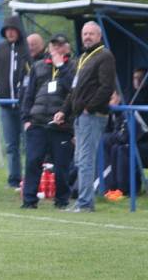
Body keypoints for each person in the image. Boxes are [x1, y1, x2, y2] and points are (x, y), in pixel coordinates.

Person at [53, 21, 116, 212]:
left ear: (99, 36)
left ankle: (85, 203)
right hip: (80, 116)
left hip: (92, 115)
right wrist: (64, 110)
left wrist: (89, 107)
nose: (87, 37)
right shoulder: (83, 57)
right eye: (84, 33)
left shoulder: (105, 56)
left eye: (91, 34)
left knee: (86, 160)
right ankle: (83, 200)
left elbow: (106, 87)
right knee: (81, 160)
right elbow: (74, 90)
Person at [20, 34, 75, 209]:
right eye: (54, 46)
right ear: (49, 48)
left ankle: (62, 200)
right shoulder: (38, 67)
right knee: (33, 161)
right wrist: (26, 119)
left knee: (61, 166)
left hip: (61, 125)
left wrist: (62, 67)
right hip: (37, 123)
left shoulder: (73, 67)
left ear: (67, 48)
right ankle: (29, 200)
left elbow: (73, 90)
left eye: (60, 46)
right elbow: (28, 94)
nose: (56, 49)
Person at [0, 15, 30, 188]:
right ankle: (13, 180)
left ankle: (30, 180)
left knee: (28, 145)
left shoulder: (26, 50)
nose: (11, 33)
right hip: (6, 106)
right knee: (11, 145)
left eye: (13, 30)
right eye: (8, 30)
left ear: (19, 31)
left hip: (24, 107)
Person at [102, 67, 148, 201]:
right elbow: (119, 127)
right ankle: (114, 189)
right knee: (116, 146)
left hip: (142, 143)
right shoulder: (130, 98)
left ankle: (126, 190)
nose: (135, 81)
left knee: (124, 148)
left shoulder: (140, 100)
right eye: (134, 77)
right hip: (133, 141)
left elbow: (139, 128)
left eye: (138, 78)